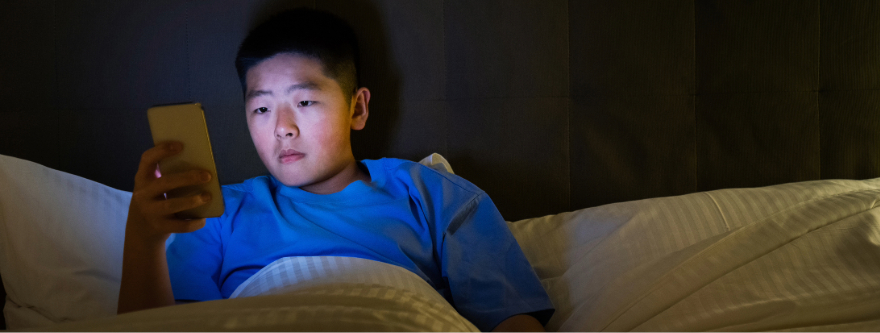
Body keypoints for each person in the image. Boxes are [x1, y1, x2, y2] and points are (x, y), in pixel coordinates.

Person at [117, 8, 554, 332]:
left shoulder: (434, 194)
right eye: (262, 108)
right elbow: (160, 328)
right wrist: (143, 241)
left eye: (304, 102)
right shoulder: (217, 212)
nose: (282, 128)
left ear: (357, 107)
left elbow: (512, 319)